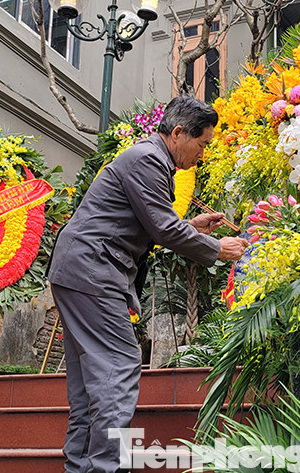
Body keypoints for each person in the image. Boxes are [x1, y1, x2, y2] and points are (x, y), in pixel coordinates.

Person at [46, 96, 248, 473]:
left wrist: (193, 229)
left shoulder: (149, 159)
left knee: (89, 383)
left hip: (81, 271)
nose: (202, 155)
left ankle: (81, 466)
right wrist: (217, 249)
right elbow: (162, 227)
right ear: (177, 133)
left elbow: (144, 224)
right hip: (94, 271)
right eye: (202, 144)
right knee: (117, 369)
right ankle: (104, 467)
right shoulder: (148, 159)